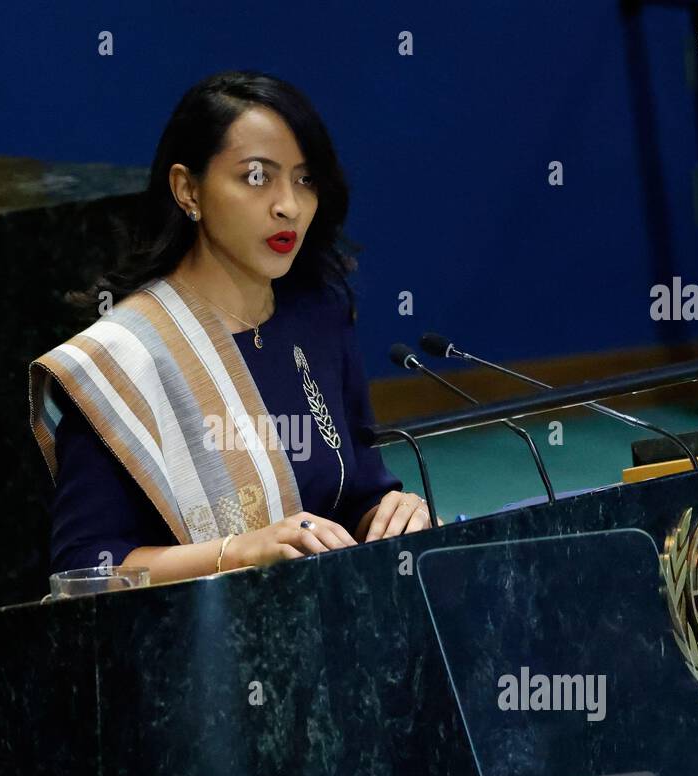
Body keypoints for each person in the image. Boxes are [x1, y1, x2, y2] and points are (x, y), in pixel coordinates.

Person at [29, 70, 435, 584]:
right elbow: (86, 568)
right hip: (192, 648)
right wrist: (237, 553)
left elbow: (357, 492)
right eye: (257, 177)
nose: (288, 204)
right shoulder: (123, 359)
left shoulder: (318, 317)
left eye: (305, 179)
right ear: (187, 190)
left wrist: (393, 511)